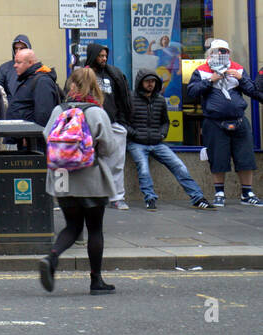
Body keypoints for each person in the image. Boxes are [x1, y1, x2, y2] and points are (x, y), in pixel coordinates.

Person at [39, 67, 120, 295]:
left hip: (62, 177)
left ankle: (52, 257)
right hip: (90, 177)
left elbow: (47, 137)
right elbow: (109, 147)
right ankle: (96, 281)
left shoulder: (59, 110)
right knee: (95, 229)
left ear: (71, 85)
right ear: (94, 87)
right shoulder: (96, 112)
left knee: (72, 226)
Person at [186, 38, 263, 206]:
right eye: (218, 51)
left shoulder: (238, 69)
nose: (221, 54)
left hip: (239, 120)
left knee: (246, 158)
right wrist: (210, 80)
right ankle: (219, 192)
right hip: (214, 122)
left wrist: (241, 78)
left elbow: (253, 92)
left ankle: (247, 193)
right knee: (218, 158)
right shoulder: (201, 70)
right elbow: (192, 91)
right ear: (210, 53)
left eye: (224, 51)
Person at [127, 68, 213, 211]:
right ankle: (150, 199)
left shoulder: (160, 100)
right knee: (143, 169)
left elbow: (165, 121)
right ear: (140, 82)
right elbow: (122, 120)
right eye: (147, 81)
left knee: (179, 166)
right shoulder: (130, 98)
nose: (150, 84)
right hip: (137, 143)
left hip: (157, 142)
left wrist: (162, 134)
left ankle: (198, 198)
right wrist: (134, 134)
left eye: (153, 81)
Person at [84, 44, 133, 210]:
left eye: (105, 56)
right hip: (88, 125)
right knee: (89, 162)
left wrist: (122, 121)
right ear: (93, 56)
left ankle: (117, 197)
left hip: (112, 123)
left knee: (116, 162)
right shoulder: (84, 74)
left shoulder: (114, 74)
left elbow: (123, 97)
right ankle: (91, 195)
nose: (104, 59)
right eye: (100, 56)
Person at [8, 48, 62, 127]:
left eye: (18, 62)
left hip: (28, 136)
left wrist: (31, 137)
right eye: (15, 62)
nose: (15, 65)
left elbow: (44, 115)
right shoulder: (28, 79)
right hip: (19, 134)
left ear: (30, 62)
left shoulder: (42, 81)